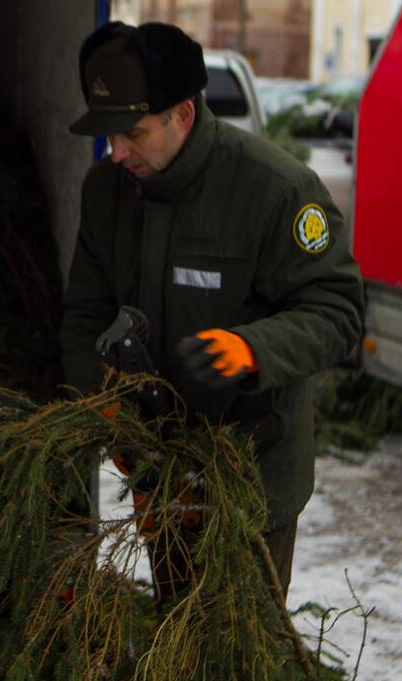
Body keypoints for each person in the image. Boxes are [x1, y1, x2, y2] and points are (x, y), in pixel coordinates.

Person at [61, 23, 364, 605]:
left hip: (250, 479)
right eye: (107, 135)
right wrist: (107, 408)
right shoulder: (107, 192)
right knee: (177, 631)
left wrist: (253, 350)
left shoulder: (274, 190)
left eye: (131, 133)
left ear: (182, 113)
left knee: (239, 663)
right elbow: (85, 315)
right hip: (160, 467)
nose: (116, 152)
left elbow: (338, 310)